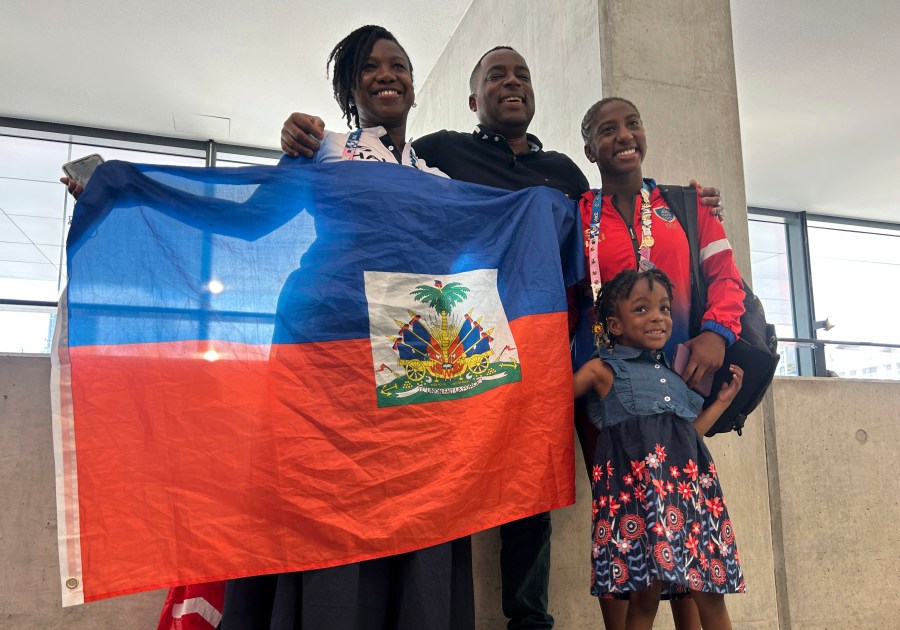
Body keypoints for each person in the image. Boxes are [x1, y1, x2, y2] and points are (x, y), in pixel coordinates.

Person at [279, 46, 727, 630]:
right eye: (496, 76)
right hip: (472, 342)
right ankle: (481, 613)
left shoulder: (566, 173)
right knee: (486, 484)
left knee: (574, 482)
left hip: (552, 345)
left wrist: (684, 203)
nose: (511, 84)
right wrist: (299, 140)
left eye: (521, 76)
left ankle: (536, 615)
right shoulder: (440, 152)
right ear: (473, 100)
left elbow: (609, 216)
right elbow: (388, 181)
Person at [220, 25, 473, 630]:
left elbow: (484, 246)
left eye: (400, 65)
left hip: (415, 348)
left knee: (414, 494)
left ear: (414, 85)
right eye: (370, 67)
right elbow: (253, 221)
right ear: (348, 88)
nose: (388, 75)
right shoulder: (324, 147)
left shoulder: (437, 177)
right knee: (327, 489)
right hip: (324, 344)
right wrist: (124, 192)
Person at [574, 97, 747, 629]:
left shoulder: (688, 205)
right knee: (625, 523)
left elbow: (724, 275)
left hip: (679, 383)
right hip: (605, 388)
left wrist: (717, 334)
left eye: (633, 123)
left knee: (681, 518)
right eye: (608, 130)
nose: (624, 136)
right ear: (590, 147)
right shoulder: (575, 212)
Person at [573, 267, 745, 630]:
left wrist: (721, 404)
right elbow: (548, 398)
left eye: (665, 309)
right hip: (639, 502)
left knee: (709, 593)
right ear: (615, 325)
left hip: (689, 498)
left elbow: (687, 436)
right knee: (644, 597)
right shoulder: (603, 370)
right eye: (641, 309)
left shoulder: (675, 376)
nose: (657, 317)